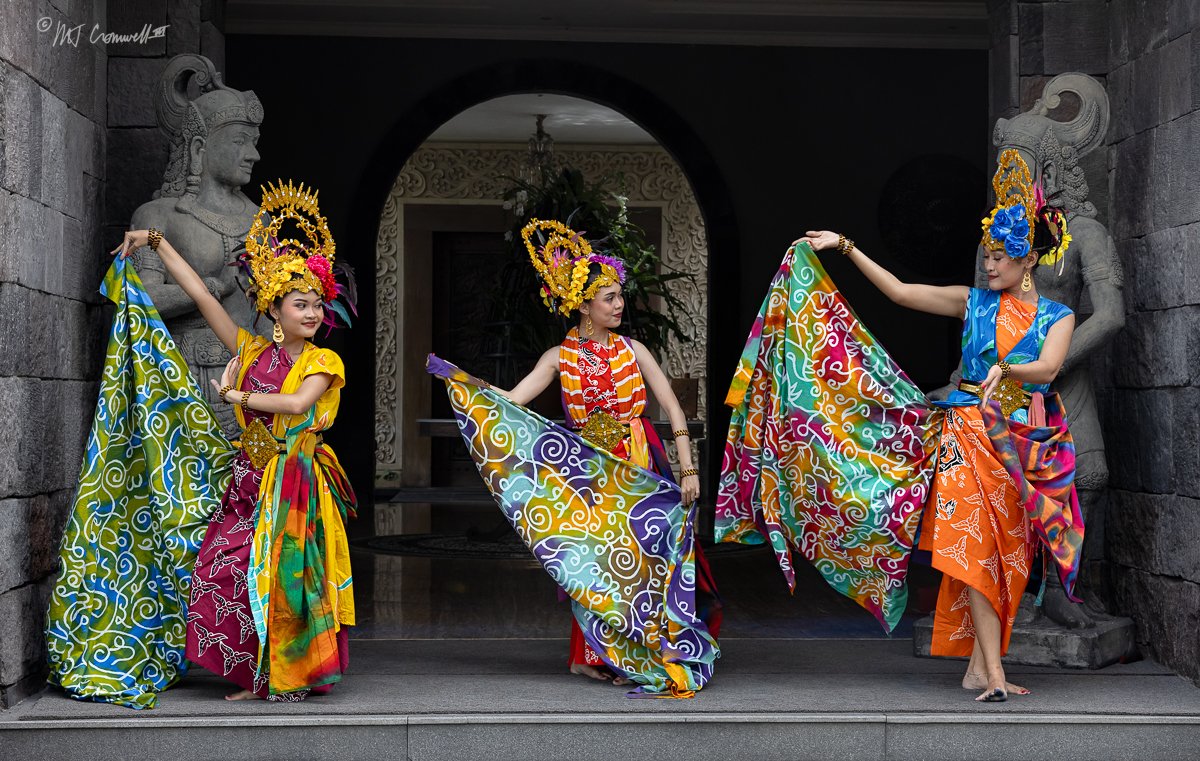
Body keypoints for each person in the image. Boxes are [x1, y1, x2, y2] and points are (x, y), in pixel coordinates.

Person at [720, 150, 1084, 702]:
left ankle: (980, 665)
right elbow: (899, 292)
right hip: (964, 435)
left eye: (999, 258)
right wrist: (845, 247)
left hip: (1021, 442)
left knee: (1011, 554)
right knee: (976, 548)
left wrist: (1007, 369)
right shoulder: (972, 303)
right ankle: (993, 670)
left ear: (1028, 259)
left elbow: (1050, 367)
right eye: (985, 256)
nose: (987, 266)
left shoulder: (1059, 317)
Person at [428, 218, 720, 696]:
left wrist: (688, 469)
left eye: (620, 296)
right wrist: (465, 383)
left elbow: (672, 407)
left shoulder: (635, 350)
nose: (620, 304)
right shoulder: (558, 357)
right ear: (584, 305)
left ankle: (646, 648)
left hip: (639, 464)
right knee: (592, 560)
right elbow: (513, 400)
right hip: (587, 472)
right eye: (610, 298)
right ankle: (587, 657)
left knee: (643, 560)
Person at [116, 179, 357, 702]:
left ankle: (287, 676)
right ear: (274, 311)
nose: (313, 313)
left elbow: (296, 406)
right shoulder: (249, 349)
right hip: (249, 477)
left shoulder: (323, 361)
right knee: (220, 572)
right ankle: (257, 672)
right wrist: (157, 241)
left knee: (286, 581)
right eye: (301, 304)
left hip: (293, 480)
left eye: (318, 304)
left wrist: (235, 397)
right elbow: (202, 295)